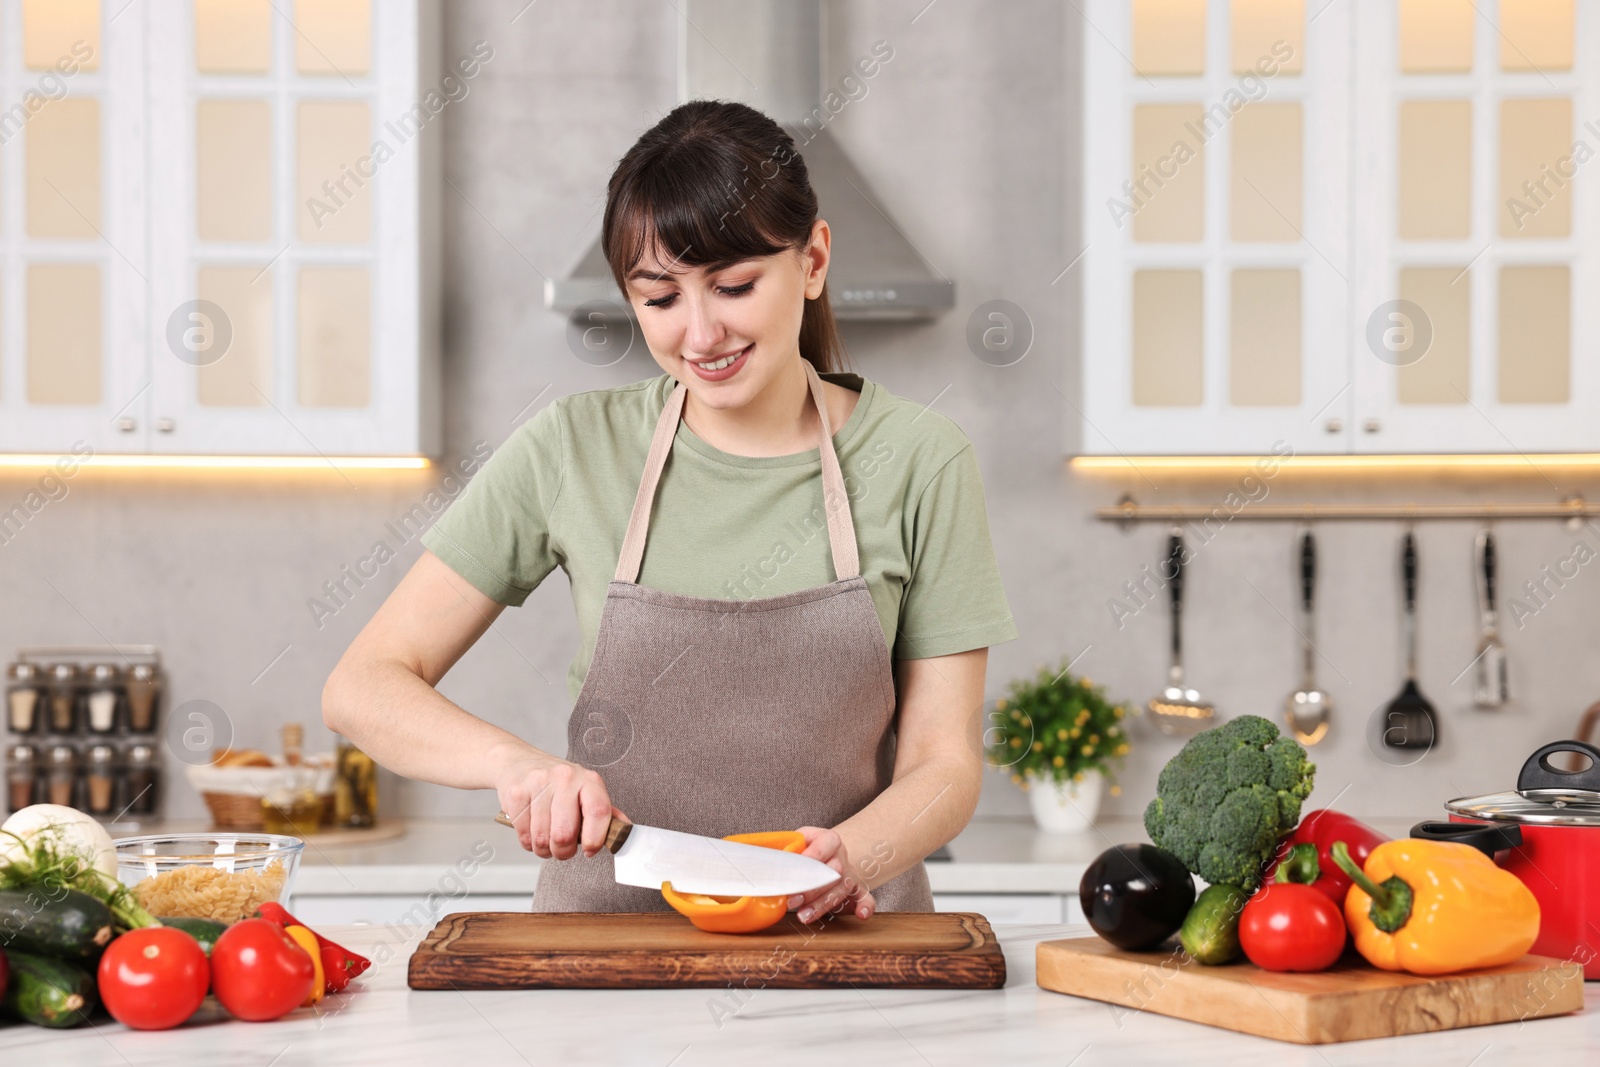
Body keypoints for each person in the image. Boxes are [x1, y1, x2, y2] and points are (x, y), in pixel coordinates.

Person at [323, 100, 1016, 922]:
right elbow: (363, 685)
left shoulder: (921, 459)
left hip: (840, 945)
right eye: (660, 298)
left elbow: (944, 762)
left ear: (815, 259)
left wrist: (852, 857)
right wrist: (517, 767)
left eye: (734, 286)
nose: (700, 333)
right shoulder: (571, 448)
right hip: (599, 957)